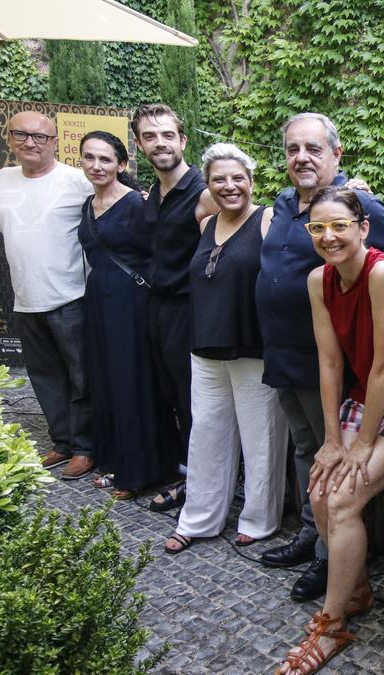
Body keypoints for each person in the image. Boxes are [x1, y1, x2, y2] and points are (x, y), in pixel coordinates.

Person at [256, 112, 384, 605]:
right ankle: (326, 554)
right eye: (293, 149)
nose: (301, 157)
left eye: (313, 148)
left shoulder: (361, 210)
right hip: (294, 357)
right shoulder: (287, 205)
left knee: (339, 484)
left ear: (336, 154)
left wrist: (359, 442)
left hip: (373, 384)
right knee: (312, 460)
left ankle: (334, 581)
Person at [275, 187, 384, 675]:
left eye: (339, 225)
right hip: (362, 400)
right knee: (318, 491)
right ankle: (355, 591)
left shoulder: (382, 273)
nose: (329, 236)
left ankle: (331, 625)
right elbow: (330, 363)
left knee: (342, 499)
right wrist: (334, 440)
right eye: (318, 228)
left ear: (363, 228)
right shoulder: (319, 280)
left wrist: (363, 444)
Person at [163, 143, 287, 554]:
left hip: (252, 348)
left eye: (238, 178)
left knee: (260, 439)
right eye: (219, 179)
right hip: (205, 347)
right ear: (208, 185)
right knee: (207, 436)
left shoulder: (268, 218)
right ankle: (199, 518)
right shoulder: (206, 224)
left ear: (252, 181)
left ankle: (259, 519)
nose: (229, 186)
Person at [0, 111, 95, 480]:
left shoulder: (78, 181)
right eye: (21, 135)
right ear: (9, 139)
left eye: (40, 137)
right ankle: (61, 440)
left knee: (81, 377)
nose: (30, 143)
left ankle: (86, 447)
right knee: (43, 376)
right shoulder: (0, 182)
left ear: (55, 142)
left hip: (72, 296)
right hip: (24, 299)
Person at [77, 131, 178, 499]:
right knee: (105, 382)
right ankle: (117, 461)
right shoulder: (88, 204)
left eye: (106, 159)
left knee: (133, 383)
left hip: (131, 302)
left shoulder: (137, 203)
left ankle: (142, 471)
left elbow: (159, 253)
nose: (97, 165)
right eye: (90, 158)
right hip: (98, 302)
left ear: (122, 164)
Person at [131, 103, 219, 512]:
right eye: (150, 136)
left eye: (168, 135)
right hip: (156, 309)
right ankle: (184, 468)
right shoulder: (154, 194)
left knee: (191, 399)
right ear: (139, 144)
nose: (160, 143)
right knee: (168, 393)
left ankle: (199, 484)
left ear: (183, 140)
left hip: (188, 311)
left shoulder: (203, 194)